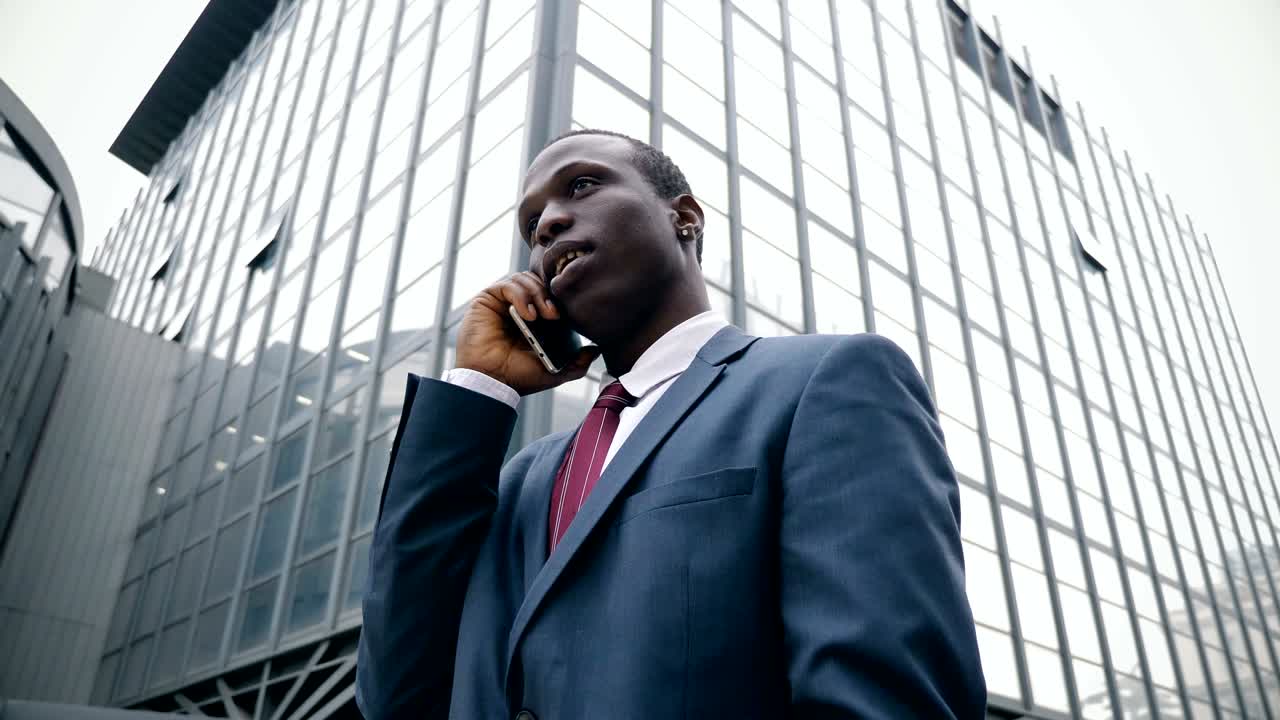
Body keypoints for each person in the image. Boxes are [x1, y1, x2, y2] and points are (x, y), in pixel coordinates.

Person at [355, 129, 986, 719]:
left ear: (684, 217)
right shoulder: (522, 479)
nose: (546, 224)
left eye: (581, 185)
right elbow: (397, 694)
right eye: (531, 226)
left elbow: (884, 697)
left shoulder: (826, 380)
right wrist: (480, 389)